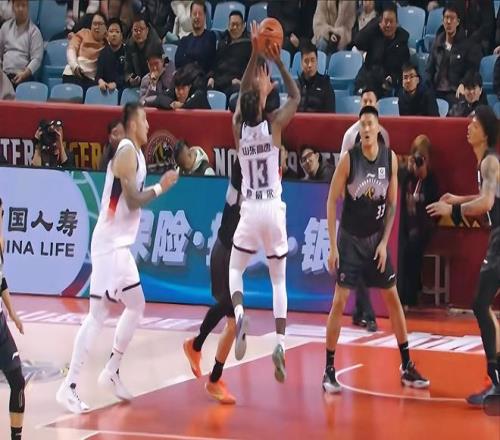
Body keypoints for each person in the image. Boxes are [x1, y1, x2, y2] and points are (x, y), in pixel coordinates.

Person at [56, 103, 179, 414]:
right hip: (109, 246)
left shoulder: (137, 154)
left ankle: (111, 370)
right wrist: (161, 187)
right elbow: (133, 201)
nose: (149, 124)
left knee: (136, 305)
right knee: (97, 315)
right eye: (144, 119)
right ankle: (69, 386)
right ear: (133, 123)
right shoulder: (125, 151)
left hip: (120, 247)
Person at [323, 105, 430, 394]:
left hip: (374, 241)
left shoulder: (389, 158)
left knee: (393, 299)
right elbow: (331, 201)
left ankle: (406, 365)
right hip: (350, 241)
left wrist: (383, 243)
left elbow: (393, 204)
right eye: (362, 125)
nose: (366, 129)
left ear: (379, 128)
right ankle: (329, 369)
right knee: (339, 302)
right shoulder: (350, 160)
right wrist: (333, 246)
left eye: (370, 124)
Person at [229, 22, 300, 383]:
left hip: (250, 208)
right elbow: (296, 98)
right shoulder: (274, 126)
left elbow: (243, 94)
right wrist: (280, 65)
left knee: (235, 270)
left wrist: (254, 53)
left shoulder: (237, 128)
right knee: (278, 281)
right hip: (273, 207)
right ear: (262, 101)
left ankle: (241, 314)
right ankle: (281, 343)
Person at [427, 105, 499, 406]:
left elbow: (486, 204)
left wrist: (452, 210)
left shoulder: (490, 162)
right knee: (483, 303)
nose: (469, 127)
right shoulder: (485, 162)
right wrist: (458, 199)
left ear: (486, 132)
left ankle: (496, 381)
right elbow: (486, 198)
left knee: (481, 303)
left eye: (474, 124)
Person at [183, 159, 243, 404]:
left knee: (232, 323)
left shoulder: (261, 195)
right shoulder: (238, 192)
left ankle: (212, 373)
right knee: (232, 312)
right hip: (224, 253)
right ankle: (196, 348)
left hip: (234, 257)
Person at [340, 88, 390, 332]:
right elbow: (343, 170)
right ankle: (368, 314)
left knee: (369, 262)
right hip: (355, 204)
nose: (367, 103)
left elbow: (385, 170)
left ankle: (360, 311)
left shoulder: (384, 135)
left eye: (371, 100)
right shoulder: (351, 135)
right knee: (356, 261)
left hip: (375, 205)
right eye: (364, 100)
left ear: (377, 106)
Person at [398, 135, 438, 308]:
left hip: (422, 228)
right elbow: (396, 191)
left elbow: (434, 206)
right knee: (402, 248)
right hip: (405, 226)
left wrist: (424, 175)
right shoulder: (407, 177)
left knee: (413, 249)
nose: (419, 162)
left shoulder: (431, 179)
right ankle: (400, 295)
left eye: (422, 158)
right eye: (416, 157)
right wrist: (407, 171)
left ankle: (410, 297)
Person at [0, 197, 26, 440]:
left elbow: (1, 281)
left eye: (1, 215)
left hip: (0, 325)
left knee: (18, 380)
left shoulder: (1, 242)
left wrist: (14, 314)